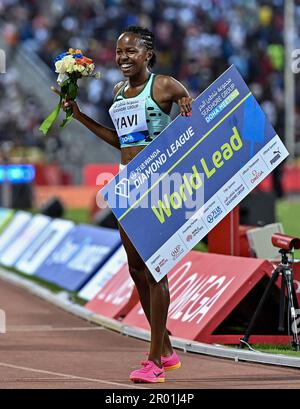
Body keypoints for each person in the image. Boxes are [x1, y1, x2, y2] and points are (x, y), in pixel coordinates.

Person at [52, 26, 193, 383]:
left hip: (158, 185)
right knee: (136, 270)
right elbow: (119, 140)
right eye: (119, 52)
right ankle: (166, 350)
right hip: (128, 182)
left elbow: (193, 115)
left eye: (131, 51)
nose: (123, 58)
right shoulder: (118, 92)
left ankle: (155, 361)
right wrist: (79, 115)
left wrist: (185, 100)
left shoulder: (164, 85)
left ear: (148, 54)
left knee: (155, 269)